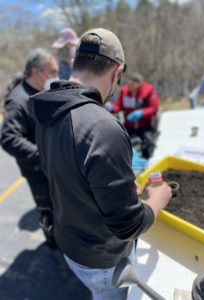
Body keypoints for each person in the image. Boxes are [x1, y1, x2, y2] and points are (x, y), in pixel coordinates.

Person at [28, 28, 172, 299]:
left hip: (71, 242)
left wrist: (117, 189)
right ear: (117, 72)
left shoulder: (45, 111)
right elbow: (128, 225)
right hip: (102, 259)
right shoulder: (103, 128)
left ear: (74, 64)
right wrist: (158, 200)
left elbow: (65, 174)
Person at [1, 48, 59, 248]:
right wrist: (42, 154)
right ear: (36, 71)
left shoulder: (40, 91)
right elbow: (8, 137)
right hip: (37, 170)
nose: (55, 76)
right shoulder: (18, 101)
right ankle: (53, 242)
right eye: (52, 72)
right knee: (48, 209)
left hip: (49, 165)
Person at [108, 72, 160, 158]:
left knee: (147, 144)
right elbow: (119, 105)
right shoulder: (124, 91)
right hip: (129, 124)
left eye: (133, 85)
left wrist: (141, 113)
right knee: (120, 140)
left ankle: (146, 161)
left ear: (139, 83)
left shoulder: (149, 90)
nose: (130, 88)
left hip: (144, 124)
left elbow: (154, 108)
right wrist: (112, 108)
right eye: (129, 84)